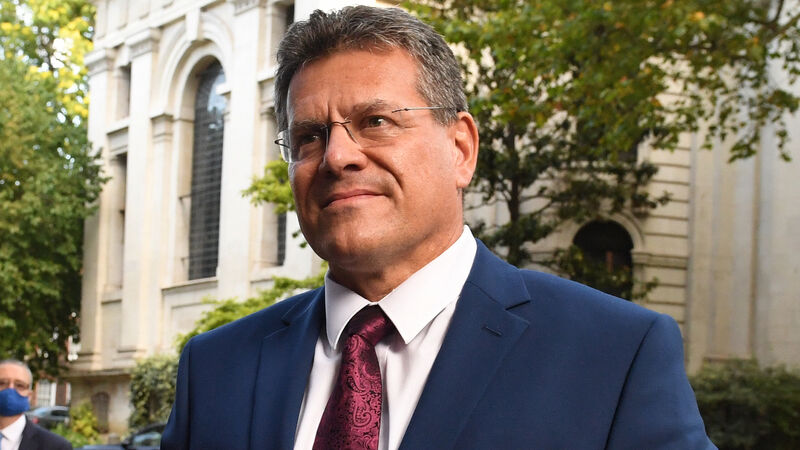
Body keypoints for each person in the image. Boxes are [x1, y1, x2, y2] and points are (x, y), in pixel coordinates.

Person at [162, 6, 714, 449]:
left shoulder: (615, 354)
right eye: (309, 136)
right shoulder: (214, 368)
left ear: (461, 149)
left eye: (376, 121)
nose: (337, 156)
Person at [0, 359, 72, 450]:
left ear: (29, 395)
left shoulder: (56, 446)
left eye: (19, 385)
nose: (10, 389)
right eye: (2, 383)